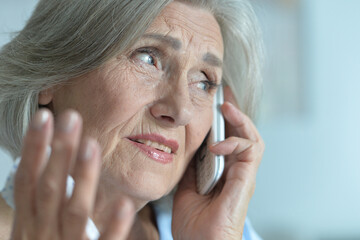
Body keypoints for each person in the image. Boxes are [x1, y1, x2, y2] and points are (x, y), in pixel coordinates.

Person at [0, 0, 265, 239]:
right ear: (52, 76)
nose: (180, 110)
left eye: (204, 82)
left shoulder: (222, 229)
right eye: (148, 58)